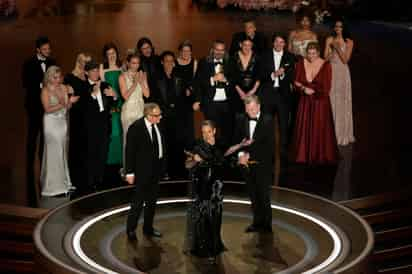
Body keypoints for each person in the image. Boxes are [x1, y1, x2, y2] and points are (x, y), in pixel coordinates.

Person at [291, 42, 338, 164]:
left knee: (319, 128)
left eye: (314, 53)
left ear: (318, 53)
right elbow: (295, 82)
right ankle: (303, 154)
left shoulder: (326, 65)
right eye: (309, 53)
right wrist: (303, 89)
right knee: (304, 129)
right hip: (305, 102)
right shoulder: (301, 63)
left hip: (320, 103)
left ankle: (318, 154)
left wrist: (313, 91)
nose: (311, 56)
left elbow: (327, 88)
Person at [22, 36, 56, 206]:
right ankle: (29, 166)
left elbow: (56, 81)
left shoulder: (52, 62)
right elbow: (26, 84)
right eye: (45, 49)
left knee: (46, 135)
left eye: (48, 48)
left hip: (49, 105)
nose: (48, 51)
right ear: (38, 50)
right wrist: (43, 86)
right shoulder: (28, 64)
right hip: (35, 106)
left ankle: (43, 164)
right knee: (33, 134)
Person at [233, 95, 274, 233]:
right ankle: (257, 222)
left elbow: (268, 147)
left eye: (252, 109)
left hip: (262, 164)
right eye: (247, 109)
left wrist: (249, 155)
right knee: (253, 195)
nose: (249, 112)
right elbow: (238, 140)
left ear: (258, 107)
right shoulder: (241, 119)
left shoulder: (268, 121)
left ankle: (267, 225)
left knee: (263, 195)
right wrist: (240, 156)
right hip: (247, 166)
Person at [185, 120, 225, 261]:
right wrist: (195, 160)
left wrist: (205, 160)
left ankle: (215, 246)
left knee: (216, 216)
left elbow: (220, 162)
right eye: (203, 132)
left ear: (214, 131)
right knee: (203, 217)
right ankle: (203, 249)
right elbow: (188, 165)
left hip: (217, 187)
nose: (206, 135)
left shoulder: (220, 145)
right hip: (203, 186)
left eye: (209, 131)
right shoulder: (198, 146)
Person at [125, 103, 165, 242]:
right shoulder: (136, 128)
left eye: (160, 114)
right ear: (148, 115)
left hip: (156, 169)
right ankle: (131, 229)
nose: (160, 117)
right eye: (157, 115)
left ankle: (148, 228)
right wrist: (129, 172)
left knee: (152, 202)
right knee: (138, 201)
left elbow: (161, 146)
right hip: (142, 171)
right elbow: (129, 152)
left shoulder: (158, 125)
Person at [260, 33, 295, 181]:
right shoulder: (265, 55)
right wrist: (273, 75)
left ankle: (283, 152)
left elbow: (293, 75)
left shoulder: (290, 57)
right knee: (266, 124)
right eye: (277, 42)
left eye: (282, 42)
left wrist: (282, 76)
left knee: (283, 125)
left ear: (285, 44)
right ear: (273, 43)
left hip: (283, 96)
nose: (279, 44)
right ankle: (267, 151)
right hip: (268, 95)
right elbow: (260, 74)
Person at [40, 66, 78, 196]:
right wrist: (64, 104)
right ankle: (52, 186)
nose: (57, 80)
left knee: (62, 151)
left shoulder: (63, 88)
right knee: (54, 152)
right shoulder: (45, 90)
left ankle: (64, 182)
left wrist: (70, 102)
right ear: (49, 77)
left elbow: (67, 107)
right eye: (54, 77)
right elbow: (47, 109)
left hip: (62, 122)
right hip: (51, 123)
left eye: (59, 77)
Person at [193, 40, 234, 147]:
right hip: (210, 103)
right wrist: (212, 79)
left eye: (222, 50)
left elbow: (235, 81)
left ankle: (224, 157)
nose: (219, 52)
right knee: (210, 132)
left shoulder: (230, 62)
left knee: (226, 132)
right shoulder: (204, 62)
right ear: (212, 50)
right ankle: (210, 157)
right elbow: (198, 82)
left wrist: (226, 80)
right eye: (217, 50)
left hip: (227, 103)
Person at [84, 60, 118, 191]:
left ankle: (100, 180)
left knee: (103, 152)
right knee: (92, 153)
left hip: (104, 124)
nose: (96, 73)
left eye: (97, 70)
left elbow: (113, 105)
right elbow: (83, 107)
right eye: (93, 70)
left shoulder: (105, 85)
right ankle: (91, 181)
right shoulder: (83, 87)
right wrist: (93, 94)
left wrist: (114, 97)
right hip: (91, 126)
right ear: (87, 73)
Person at [155, 51, 188, 179]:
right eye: (166, 61)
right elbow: (155, 98)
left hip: (178, 116)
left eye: (171, 61)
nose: (169, 63)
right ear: (162, 62)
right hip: (163, 116)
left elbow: (184, 95)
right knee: (164, 144)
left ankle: (179, 170)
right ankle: (165, 171)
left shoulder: (179, 76)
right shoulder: (156, 77)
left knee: (178, 143)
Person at [324, 19, 355, 146]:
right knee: (331, 100)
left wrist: (337, 47)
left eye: (340, 27)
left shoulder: (349, 41)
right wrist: (332, 50)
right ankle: (331, 133)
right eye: (336, 26)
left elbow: (345, 59)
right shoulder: (329, 39)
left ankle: (342, 133)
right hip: (331, 71)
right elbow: (325, 58)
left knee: (342, 101)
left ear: (344, 28)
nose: (338, 28)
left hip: (343, 73)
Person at [64, 52, 91, 192]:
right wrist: (69, 96)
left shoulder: (87, 76)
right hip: (77, 115)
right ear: (78, 61)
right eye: (83, 62)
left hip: (88, 114)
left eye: (87, 62)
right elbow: (67, 97)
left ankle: (85, 177)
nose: (85, 64)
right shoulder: (69, 77)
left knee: (86, 145)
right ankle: (75, 178)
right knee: (76, 145)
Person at [119, 53, 150, 169]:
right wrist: (135, 82)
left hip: (140, 110)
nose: (135, 66)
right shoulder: (122, 77)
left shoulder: (142, 74)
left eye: (137, 63)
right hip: (128, 111)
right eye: (133, 63)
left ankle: (140, 167)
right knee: (129, 140)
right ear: (128, 63)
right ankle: (128, 168)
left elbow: (147, 94)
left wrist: (141, 81)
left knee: (141, 140)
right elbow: (125, 96)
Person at [100, 42, 124, 166]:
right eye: (108, 54)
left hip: (122, 103)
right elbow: (102, 89)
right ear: (105, 55)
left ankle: (122, 164)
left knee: (122, 133)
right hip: (110, 105)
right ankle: (111, 164)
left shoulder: (122, 67)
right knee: (113, 133)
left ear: (117, 53)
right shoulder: (102, 68)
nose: (111, 56)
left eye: (113, 53)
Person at [173, 40, 197, 150]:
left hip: (189, 97)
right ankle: (180, 148)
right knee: (178, 123)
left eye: (188, 51)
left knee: (189, 123)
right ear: (180, 52)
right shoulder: (174, 62)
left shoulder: (194, 62)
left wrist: (190, 89)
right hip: (178, 96)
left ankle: (189, 148)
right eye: (184, 51)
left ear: (191, 52)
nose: (186, 53)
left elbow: (196, 80)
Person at [229, 36, 261, 114]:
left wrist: (252, 91)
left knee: (250, 114)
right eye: (245, 45)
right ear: (240, 45)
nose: (247, 47)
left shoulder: (257, 57)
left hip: (253, 91)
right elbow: (231, 76)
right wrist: (241, 92)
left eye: (249, 45)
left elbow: (259, 75)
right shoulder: (233, 57)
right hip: (237, 92)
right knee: (237, 116)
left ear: (252, 45)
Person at [135, 37, 162, 103]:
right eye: (144, 48)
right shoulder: (138, 62)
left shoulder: (158, 59)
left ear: (151, 47)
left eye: (148, 47)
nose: (147, 50)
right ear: (140, 50)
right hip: (145, 94)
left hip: (159, 93)